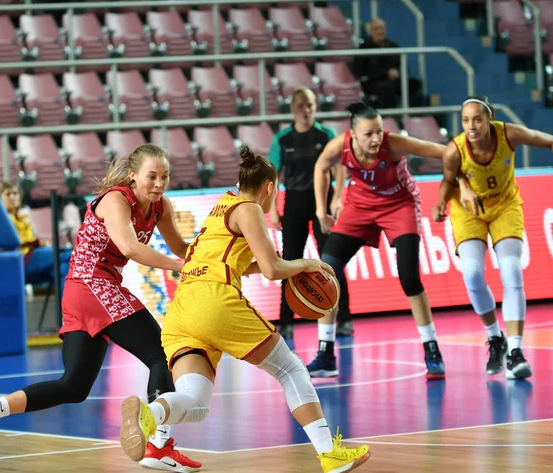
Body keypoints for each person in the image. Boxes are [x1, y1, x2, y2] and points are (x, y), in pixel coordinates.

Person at [118, 147, 371, 473]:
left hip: (181, 310)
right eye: (275, 191)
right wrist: (307, 263)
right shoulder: (249, 207)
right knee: (291, 370)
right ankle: (329, 453)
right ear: (269, 188)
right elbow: (272, 268)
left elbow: (237, 263)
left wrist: (283, 266)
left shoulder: (220, 206)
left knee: (194, 402)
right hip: (215, 302)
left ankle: (149, 415)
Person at [0, 145, 202, 472]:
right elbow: (131, 247)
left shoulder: (161, 207)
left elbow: (182, 248)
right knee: (161, 353)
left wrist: (212, 254)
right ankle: (159, 445)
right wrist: (179, 266)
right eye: (152, 176)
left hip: (84, 291)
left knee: (73, 386)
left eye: (165, 176)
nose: (159, 183)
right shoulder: (117, 200)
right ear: (133, 175)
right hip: (93, 285)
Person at [308, 102, 447, 380]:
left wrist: (458, 183)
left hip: (400, 205)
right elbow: (321, 166)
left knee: (409, 277)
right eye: (368, 134)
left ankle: (432, 350)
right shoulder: (339, 146)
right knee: (326, 274)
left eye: (379, 132)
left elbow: (445, 153)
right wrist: (321, 210)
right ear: (353, 135)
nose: (375, 139)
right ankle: (326, 354)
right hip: (360, 206)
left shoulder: (394, 144)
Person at [432, 95, 553, 379]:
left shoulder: (509, 133)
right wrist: (440, 204)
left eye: (477, 119)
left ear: (490, 119)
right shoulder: (455, 150)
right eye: (465, 120)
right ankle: (495, 338)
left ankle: (516, 351)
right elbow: (448, 182)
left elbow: (545, 139)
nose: (471, 125)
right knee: (472, 273)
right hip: (468, 212)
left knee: (511, 269)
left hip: (505, 207)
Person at [268, 87, 353, 339]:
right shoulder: (282, 138)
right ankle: (286, 323)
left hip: (322, 203)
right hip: (293, 201)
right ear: (293, 109)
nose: (306, 110)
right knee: (289, 261)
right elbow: (271, 176)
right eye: (302, 106)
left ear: (316, 107)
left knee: (332, 259)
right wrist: (272, 209)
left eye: (311, 105)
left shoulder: (325, 134)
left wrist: (337, 197)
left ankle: (345, 317)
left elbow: (340, 168)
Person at [0, 182, 72, 295]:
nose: (13, 197)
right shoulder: (1, 219)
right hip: (19, 262)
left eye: (15, 193)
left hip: (31, 257)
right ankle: (68, 309)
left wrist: (39, 243)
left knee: (64, 267)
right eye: (8, 194)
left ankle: (65, 309)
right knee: (70, 255)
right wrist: (37, 243)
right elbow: (16, 243)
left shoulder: (24, 218)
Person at [353, 18, 423, 109]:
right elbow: (361, 73)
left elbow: (404, 68)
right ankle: (389, 118)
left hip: (394, 80)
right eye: (376, 29)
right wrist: (386, 73)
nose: (380, 31)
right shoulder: (363, 49)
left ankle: (412, 118)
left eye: (381, 28)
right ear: (370, 32)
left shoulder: (394, 46)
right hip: (372, 83)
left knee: (415, 84)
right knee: (387, 87)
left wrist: (398, 72)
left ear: (386, 30)